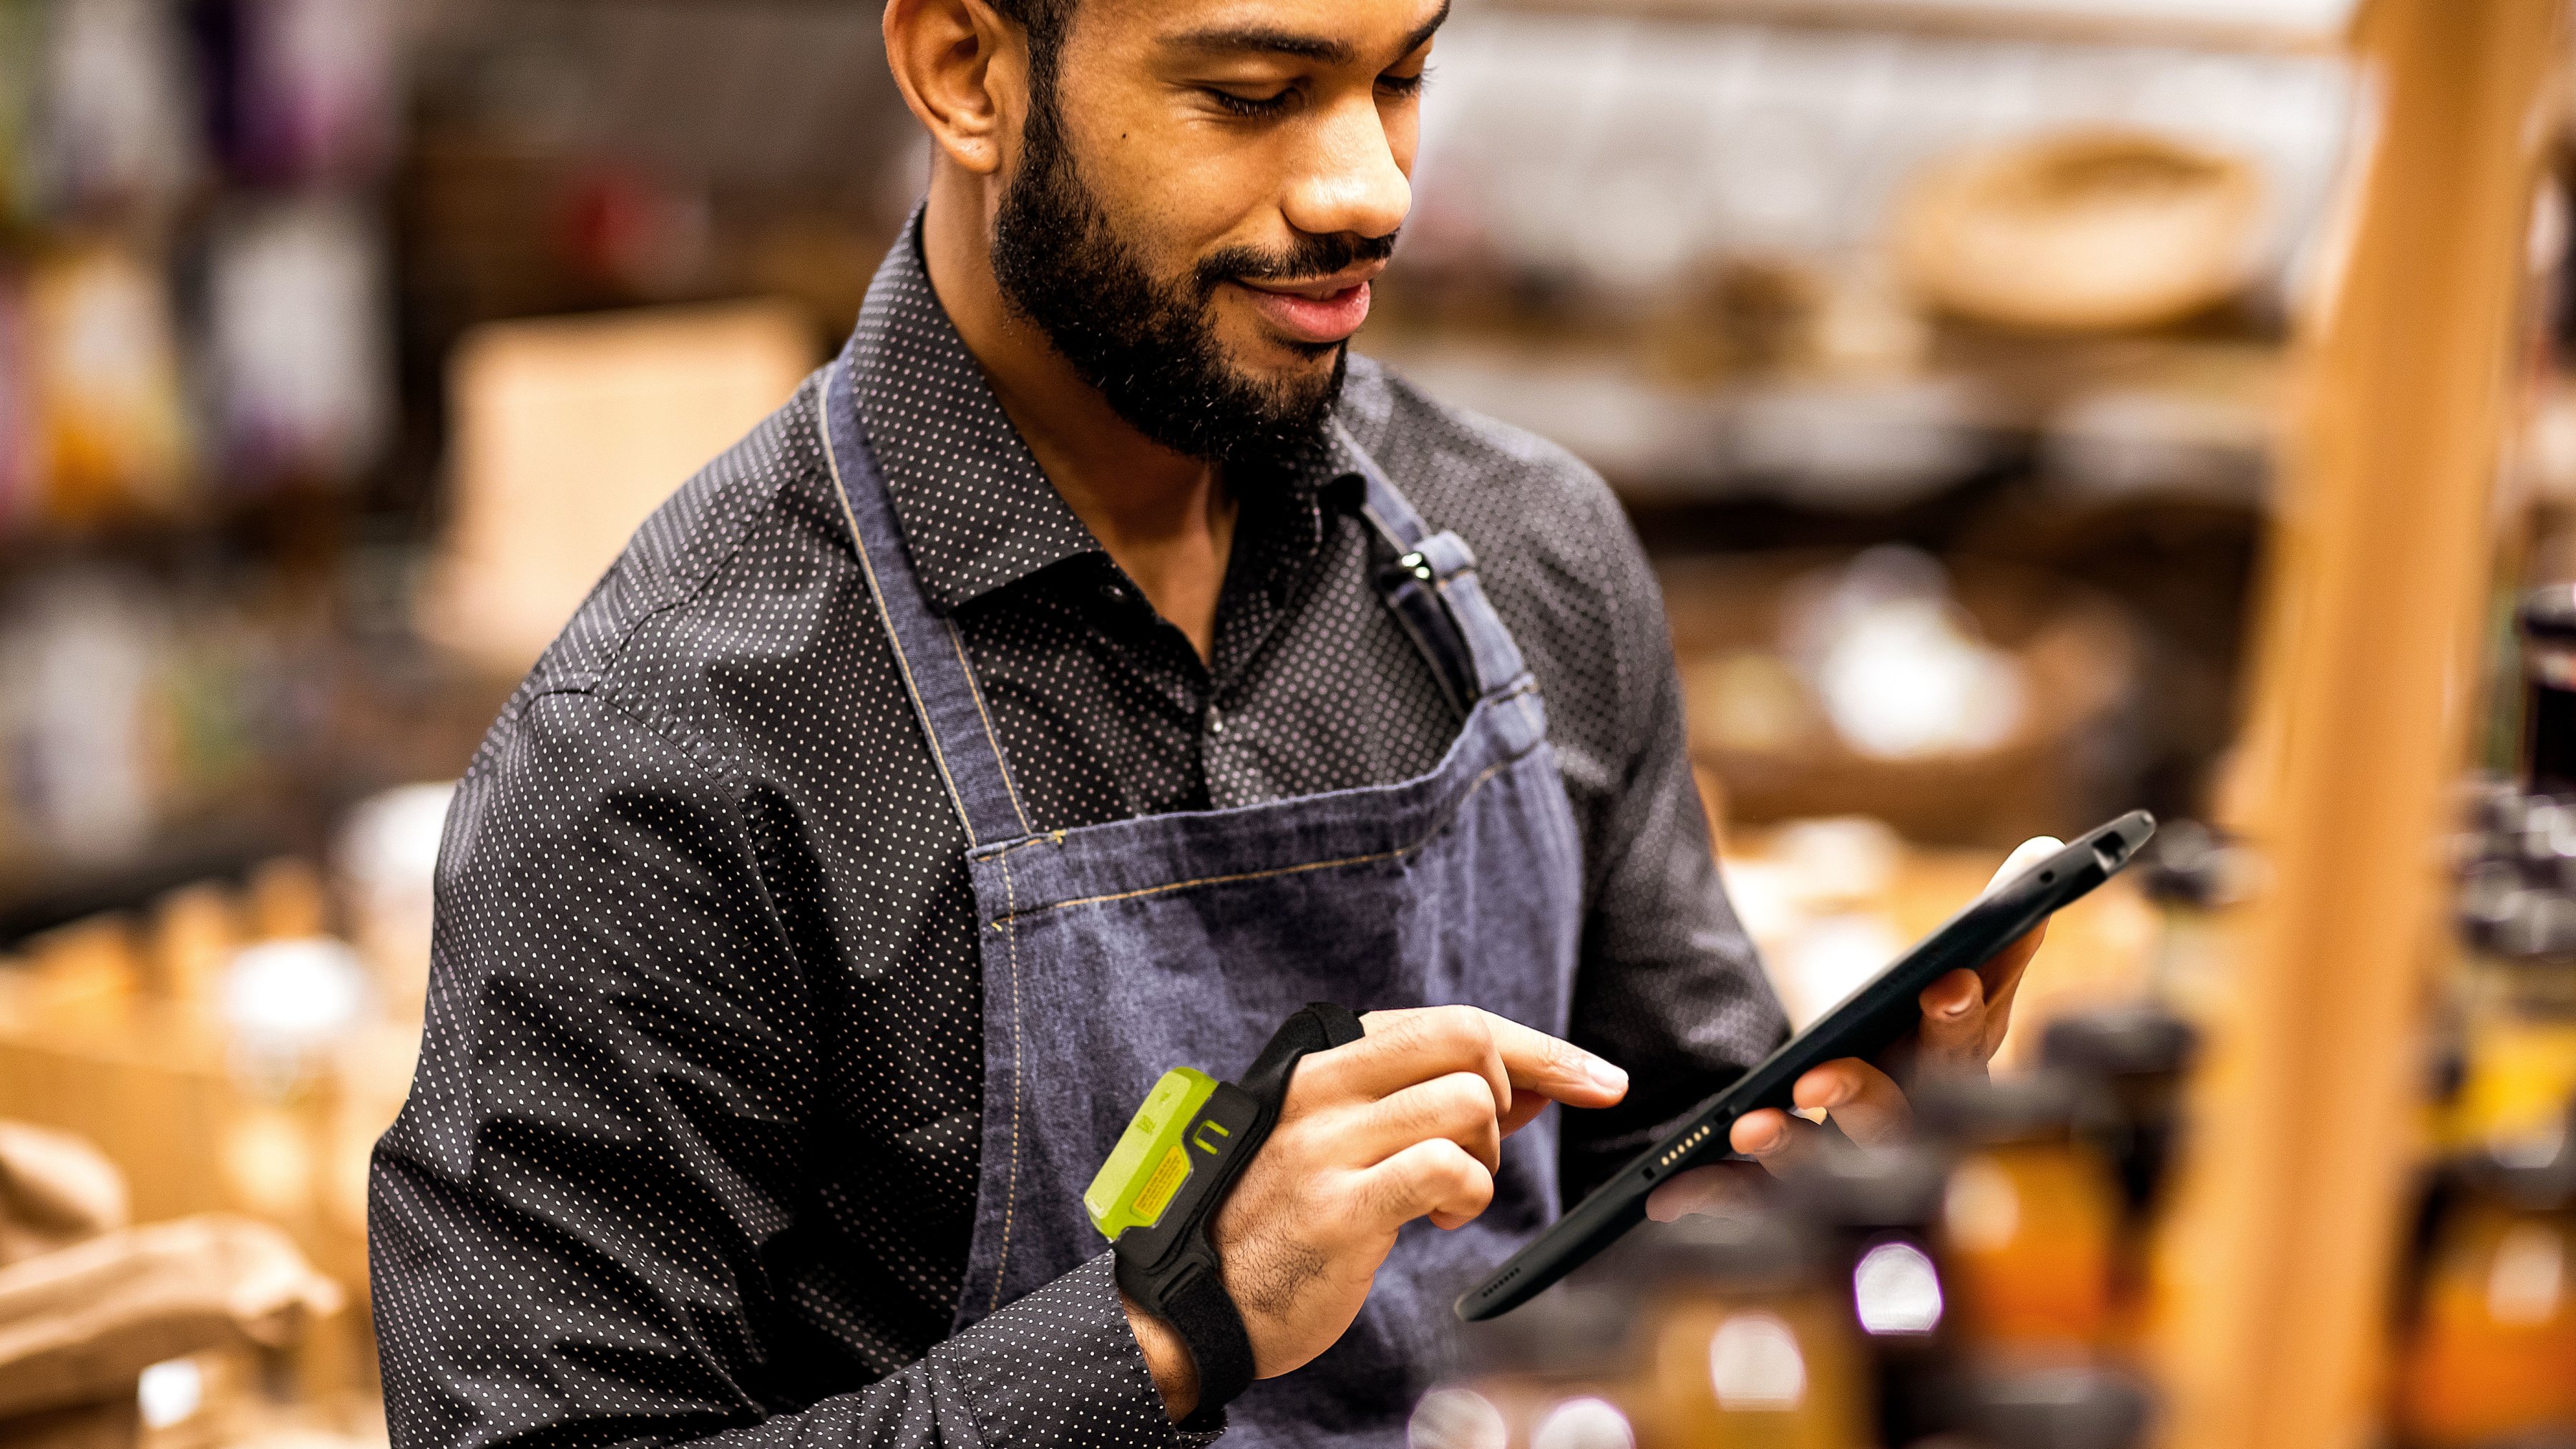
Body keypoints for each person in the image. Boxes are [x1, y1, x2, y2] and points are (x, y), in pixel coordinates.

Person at [366, 0, 2052, 1443]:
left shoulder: (1531, 555)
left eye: (1402, 77)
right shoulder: (673, 741)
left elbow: (1674, 1165)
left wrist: (1813, 1179)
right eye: (1251, 96)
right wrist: (1171, 1323)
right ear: (968, 67)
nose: (1368, 190)